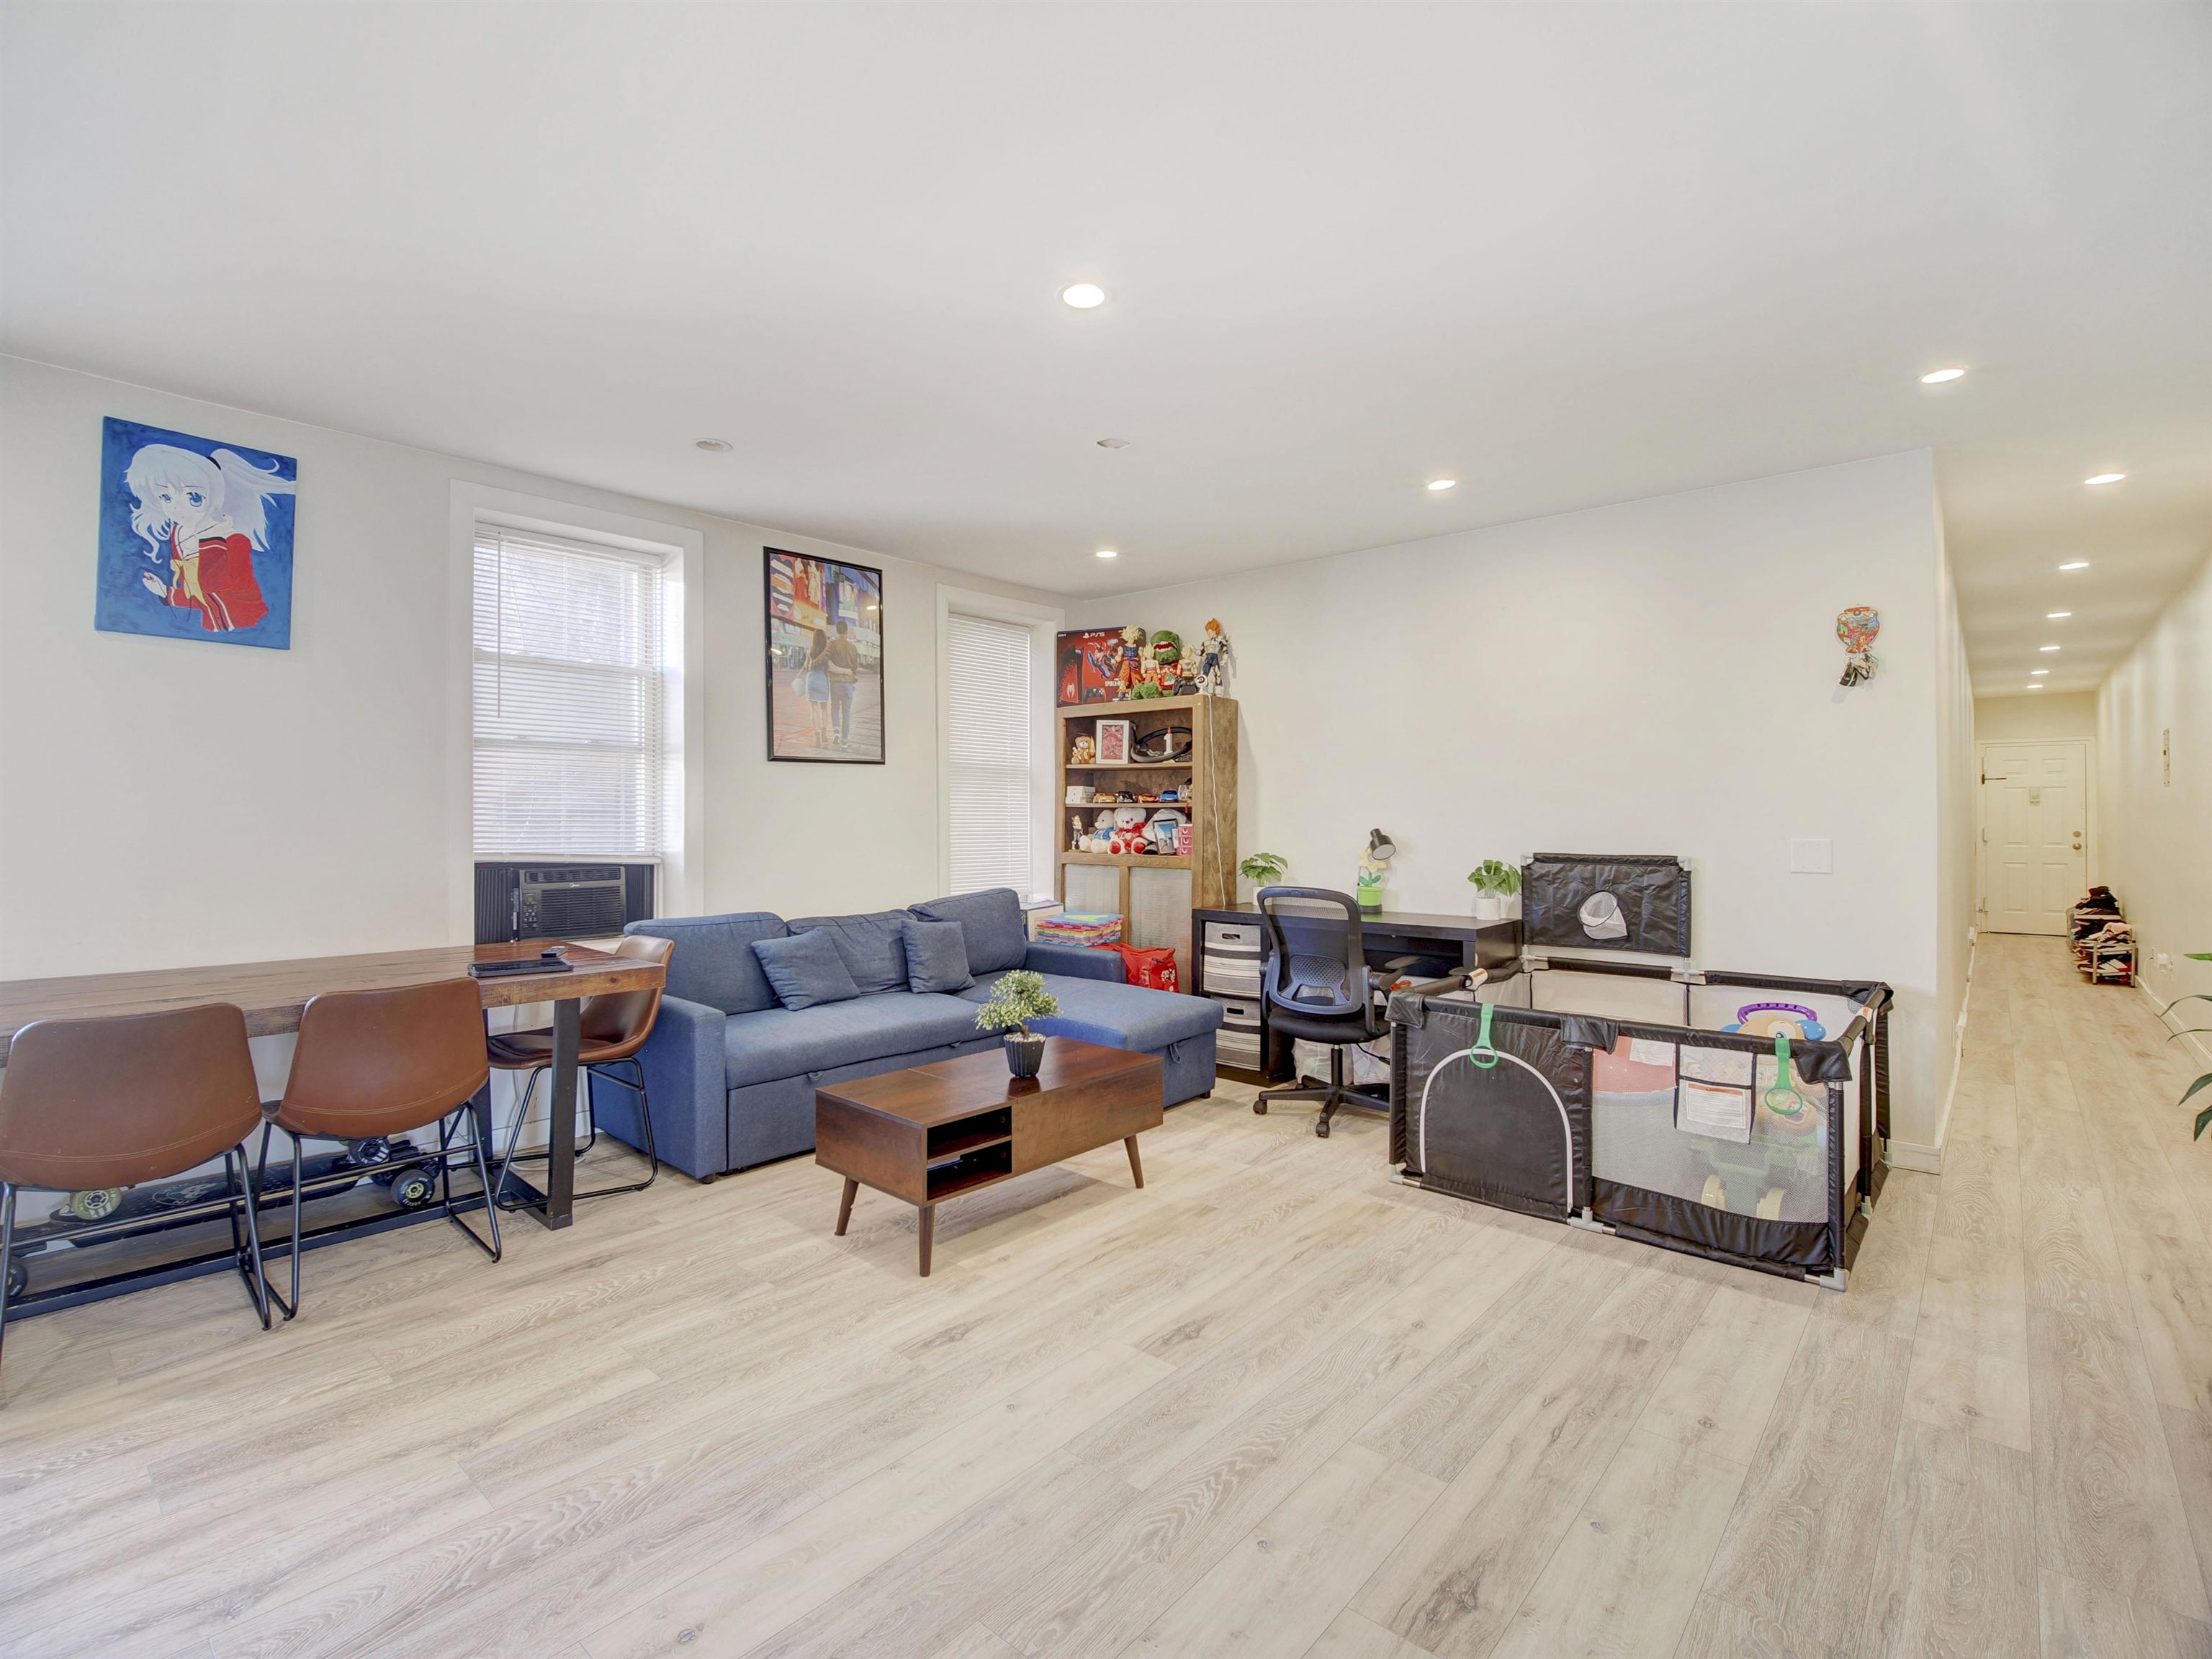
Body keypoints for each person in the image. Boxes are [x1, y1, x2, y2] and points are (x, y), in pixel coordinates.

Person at [125, 443, 295, 632]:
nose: (177, 509)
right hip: (213, 627)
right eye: (166, 497)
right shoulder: (179, 534)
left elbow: (212, 585)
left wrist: (214, 539)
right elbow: (197, 596)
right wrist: (166, 593)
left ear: (214, 496)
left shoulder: (236, 540)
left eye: (193, 497)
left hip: (251, 626)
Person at [825, 620, 862, 747]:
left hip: (835, 683)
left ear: (837, 631)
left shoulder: (832, 644)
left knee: (835, 707)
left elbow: (827, 659)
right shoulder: (853, 647)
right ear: (846, 632)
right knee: (846, 713)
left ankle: (836, 730)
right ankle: (845, 740)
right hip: (848, 684)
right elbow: (855, 667)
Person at [801, 626, 832, 747]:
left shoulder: (810, 651)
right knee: (824, 708)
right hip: (822, 680)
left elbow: (806, 666)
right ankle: (824, 733)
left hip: (812, 680)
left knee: (814, 710)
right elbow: (830, 667)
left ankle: (817, 735)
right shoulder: (827, 652)